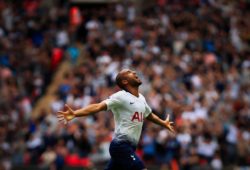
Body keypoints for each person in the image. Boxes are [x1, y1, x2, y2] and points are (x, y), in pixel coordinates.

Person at [57, 69, 175, 170]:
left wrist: (163, 123)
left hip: (129, 147)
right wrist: (76, 113)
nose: (133, 72)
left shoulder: (142, 98)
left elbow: (149, 115)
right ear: (125, 81)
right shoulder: (121, 96)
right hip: (121, 146)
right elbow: (98, 106)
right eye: (129, 72)